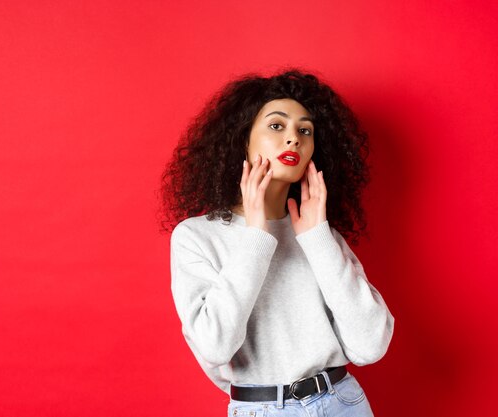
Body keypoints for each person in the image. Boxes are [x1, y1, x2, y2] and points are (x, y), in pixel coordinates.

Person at [158, 69, 395, 416]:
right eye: (276, 126)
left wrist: (318, 240)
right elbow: (215, 346)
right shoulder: (196, 237)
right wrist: (256, 235)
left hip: (344, 403)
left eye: (305, 130)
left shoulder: (319, 235)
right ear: (243, 139)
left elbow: (371, 345)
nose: (293, 139)